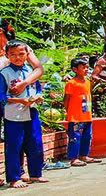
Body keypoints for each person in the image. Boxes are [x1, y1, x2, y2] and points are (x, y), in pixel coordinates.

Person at [0, 40, 47, 188]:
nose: (17, 57)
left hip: (32, 112)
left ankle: (36, 173)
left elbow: (37, 88)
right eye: (12, 54)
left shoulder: (30, 72)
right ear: (7, 55)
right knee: (14, 146)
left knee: (35, 143)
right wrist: (19, 100)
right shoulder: (4, 73)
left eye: (21, 54)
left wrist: (38, 96)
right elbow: (1, 96)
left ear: (27, 54)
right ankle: (14, 178)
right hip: (13, 115)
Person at [63, 57, 101, 167]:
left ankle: (84, 155)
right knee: (75, 137)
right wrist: (67, 111)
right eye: (83, 68)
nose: (86, 70)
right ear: (75, 69)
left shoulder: (87, 82)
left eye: (87, 67)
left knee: (87, 136)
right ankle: (74, 158)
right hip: (75, 116)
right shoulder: (71, 83)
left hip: (87, 115)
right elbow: (66, 99)